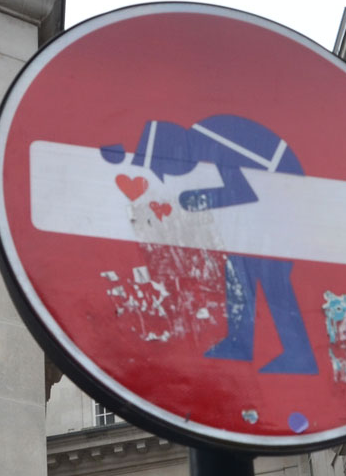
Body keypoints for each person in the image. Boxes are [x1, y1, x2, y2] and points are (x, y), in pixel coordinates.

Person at [100, 115, 318, 374]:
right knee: (237, 266)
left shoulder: (215, 139)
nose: (172, 174)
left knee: (272, 274)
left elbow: (243, 190)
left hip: (283, 197)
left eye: (168, 168)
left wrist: (196, 198)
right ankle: (240, 342)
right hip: (270, 201)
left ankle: (298, 354)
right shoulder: (209, 139)